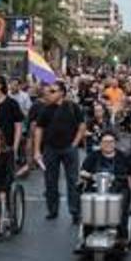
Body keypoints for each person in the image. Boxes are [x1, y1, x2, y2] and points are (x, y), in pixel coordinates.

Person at [33, 81, 86, 223]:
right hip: (50, 149)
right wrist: (37, 150)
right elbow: (39, 129)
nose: (49, 93)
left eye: (53, 91)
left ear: (62, 93)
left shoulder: (73, 107)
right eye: (49, 91)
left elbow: (82, 126)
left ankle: (75, 211)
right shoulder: (46, 109)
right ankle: (52, 210)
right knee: (50, 181)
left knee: (73, 181)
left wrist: (74, 143)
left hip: (69, 148)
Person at [79, 130, 131, 243]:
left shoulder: (123, 156)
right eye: (105, 142)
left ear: (115, 143)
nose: (108, 144)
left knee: (122, 205)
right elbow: (82, 171)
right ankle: (87, 234)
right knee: (88, 201)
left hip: (119, 187)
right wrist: (91, 176)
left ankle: (122, 236)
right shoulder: (93, 156)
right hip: (96, 186)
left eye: (111, 141)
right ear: (101, 143)